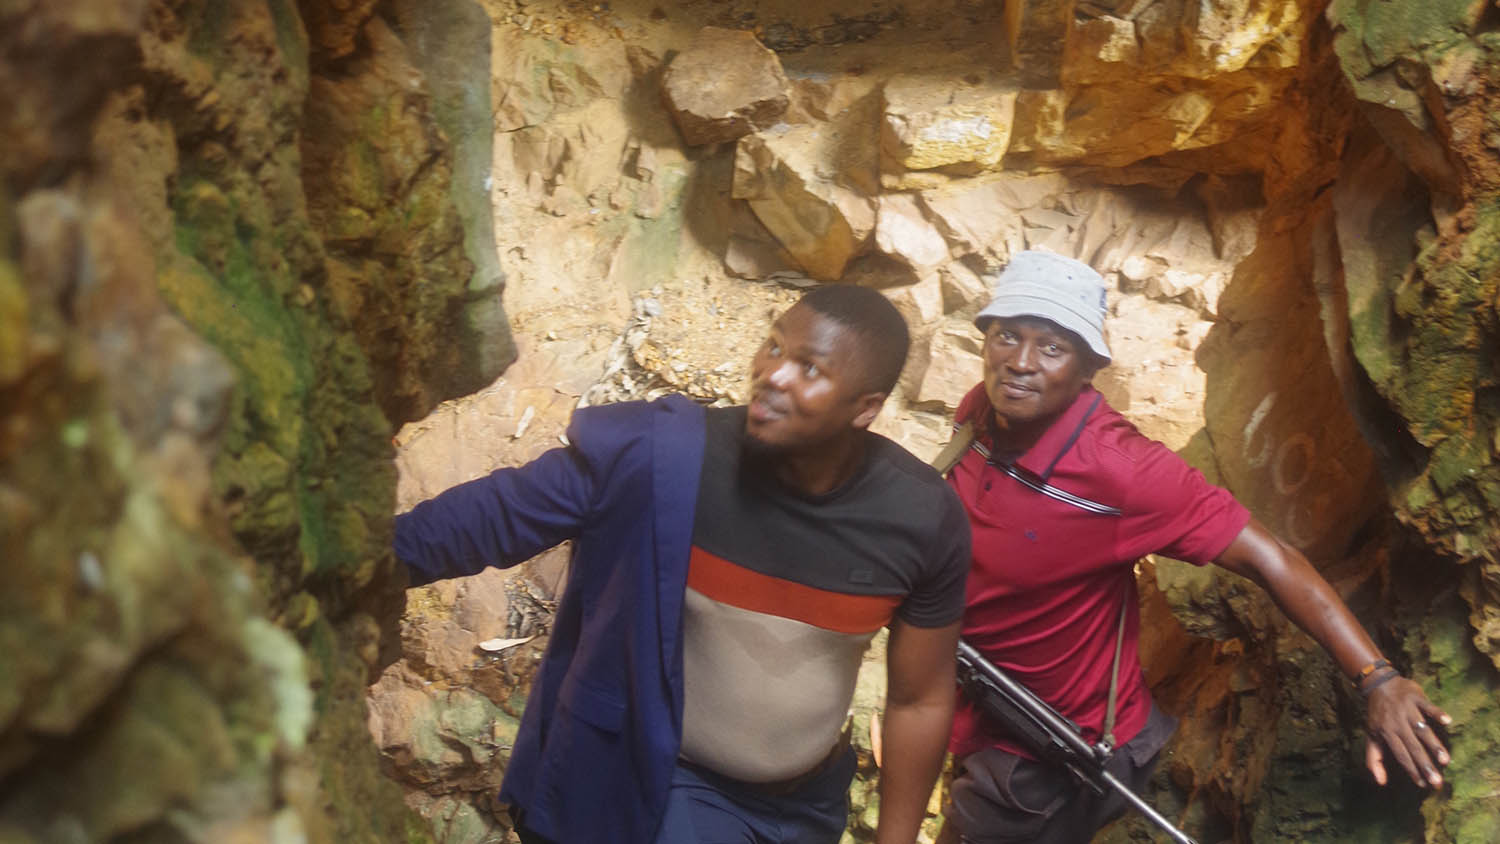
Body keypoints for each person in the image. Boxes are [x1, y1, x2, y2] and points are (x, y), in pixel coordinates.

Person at [394, 284, 971, 844]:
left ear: (866, 408)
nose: (773, 374)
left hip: (811, 804)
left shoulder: (919, 520)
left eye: (809, 368)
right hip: (670, 787)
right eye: (773, 346)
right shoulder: (664, 458)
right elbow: (499, 514)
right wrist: (364, 561)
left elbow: (919, 699)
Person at [934, 250, 1453, 844]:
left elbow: (1271, 557)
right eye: (1007, 336)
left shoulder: (1125, 473)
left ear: (1088, 369)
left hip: (1048, 751)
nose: (1020, 362)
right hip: (978, 697)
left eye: (1051, 347)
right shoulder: (980, 412)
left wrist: (1378, 679)